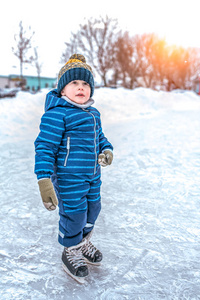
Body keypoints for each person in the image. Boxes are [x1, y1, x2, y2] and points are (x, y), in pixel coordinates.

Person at [34, 54, 113, 282]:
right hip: (69, 180)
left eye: (85, 83)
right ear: (62, 90)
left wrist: (106, 151)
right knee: (74, 215)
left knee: (93, 210)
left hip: (92, 177)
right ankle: (70, 249)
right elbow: (45, 147)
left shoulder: (93, 114)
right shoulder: (57, 114)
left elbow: (101, 138)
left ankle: (82, 242)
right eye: (74, 83)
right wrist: (44, 179)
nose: (81, 87)